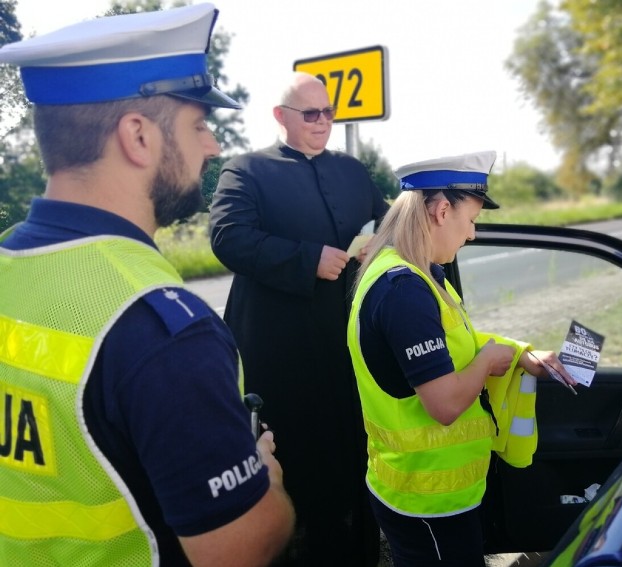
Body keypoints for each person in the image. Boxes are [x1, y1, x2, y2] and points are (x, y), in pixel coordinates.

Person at [0, 5, 295, 565]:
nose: (212, 147)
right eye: (198, 125)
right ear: (137, 135)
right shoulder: (160, 331)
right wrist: (267, 479)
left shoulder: (10, 259)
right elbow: (240, 547)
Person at [346, 151, 578, 566]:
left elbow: (457, 341)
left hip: (428, 489)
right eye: (470, 222)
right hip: (429, 501)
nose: (470, 235)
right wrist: (487, 362)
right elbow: (446, 404)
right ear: (440, 211)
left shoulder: (409, 272)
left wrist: (517, 353)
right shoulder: (405, 291)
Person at [208, 71, 389, 566]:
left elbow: (385, 220)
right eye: (311, 113)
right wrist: (307, 258)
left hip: (345, 345)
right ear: (280, 117)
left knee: (353, 460)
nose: (323, 121)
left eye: (329, 112)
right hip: (280, 353)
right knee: (296, 468)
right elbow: (227, 237)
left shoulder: (352, 170)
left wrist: (381, 240)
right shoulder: (246, 170)